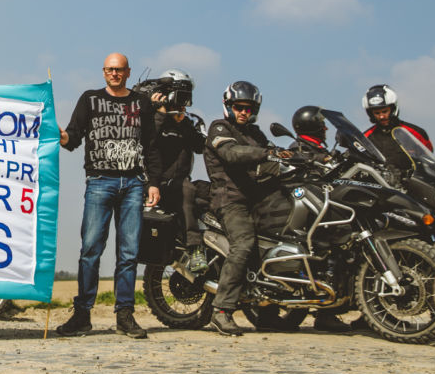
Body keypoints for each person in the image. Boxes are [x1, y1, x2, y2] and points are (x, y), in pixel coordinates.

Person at [56, 53, 162, 339]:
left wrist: (153, 183)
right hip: (100, 181)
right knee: (90, 250)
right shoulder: (89, 99)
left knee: (128, 253)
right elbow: (74, 137)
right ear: (104, 72)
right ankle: (82, 314)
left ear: (128, 72)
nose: (114, 74)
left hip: (134, 184)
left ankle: (124, 315)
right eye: (110, 69)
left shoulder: (141, 103)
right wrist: (61, 136)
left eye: (119, 70)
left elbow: (151, 145)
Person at [203, 80, 290, 336]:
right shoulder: (219, 128)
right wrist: (266, 154)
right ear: (228, 106)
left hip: (257, 200)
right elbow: (232, 154)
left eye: (248, 108)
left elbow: (272, 153)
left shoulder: (256, 134)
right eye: (239, 107)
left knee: (274, 244)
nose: (244, 112)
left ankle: (267, 313)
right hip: (229, 200)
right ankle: (221, 310)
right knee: (243, 244)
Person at [284, 106, 351, 333]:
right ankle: (326, 313)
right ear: (312, 126)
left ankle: (331, 307)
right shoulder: (299, 148)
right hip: (309, 213)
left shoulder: (319, 149)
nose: (325, 129)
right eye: (322, 125)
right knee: (331, 249)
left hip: (324, 207)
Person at [146, 71, 208, 273]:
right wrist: (160, 114)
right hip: (157, 183)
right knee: (187, 189)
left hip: (182, 180)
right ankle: (195, 248)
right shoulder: (151, 116)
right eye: (179, 95)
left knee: (211, 193)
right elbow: (146, 143)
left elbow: (201, 147)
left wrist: (184, 123)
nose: (183, 101)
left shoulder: (189, 121)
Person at [361, 84, 433, 181]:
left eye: (384, 111)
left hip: (413, 184)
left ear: (393, 109)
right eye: (377, 113)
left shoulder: (415, 132)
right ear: (371, 114)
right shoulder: (366, 138)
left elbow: (430, 159)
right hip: (382, 186)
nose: (381, 116)